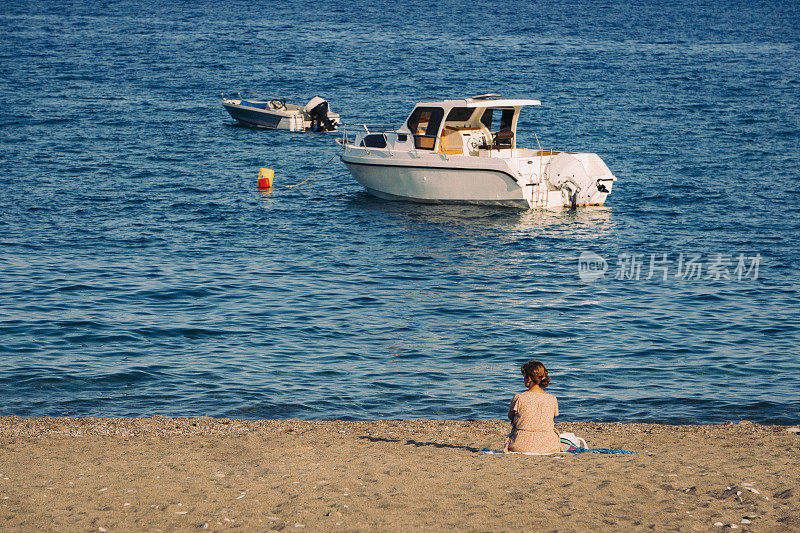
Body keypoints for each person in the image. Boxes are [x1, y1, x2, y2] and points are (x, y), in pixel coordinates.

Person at [503, 360, 567, 454]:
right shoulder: (552, 399)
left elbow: (510, 416)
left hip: (520, 445)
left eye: (524, 377)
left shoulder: (519, 397)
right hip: (548, 445)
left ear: (529, 378)